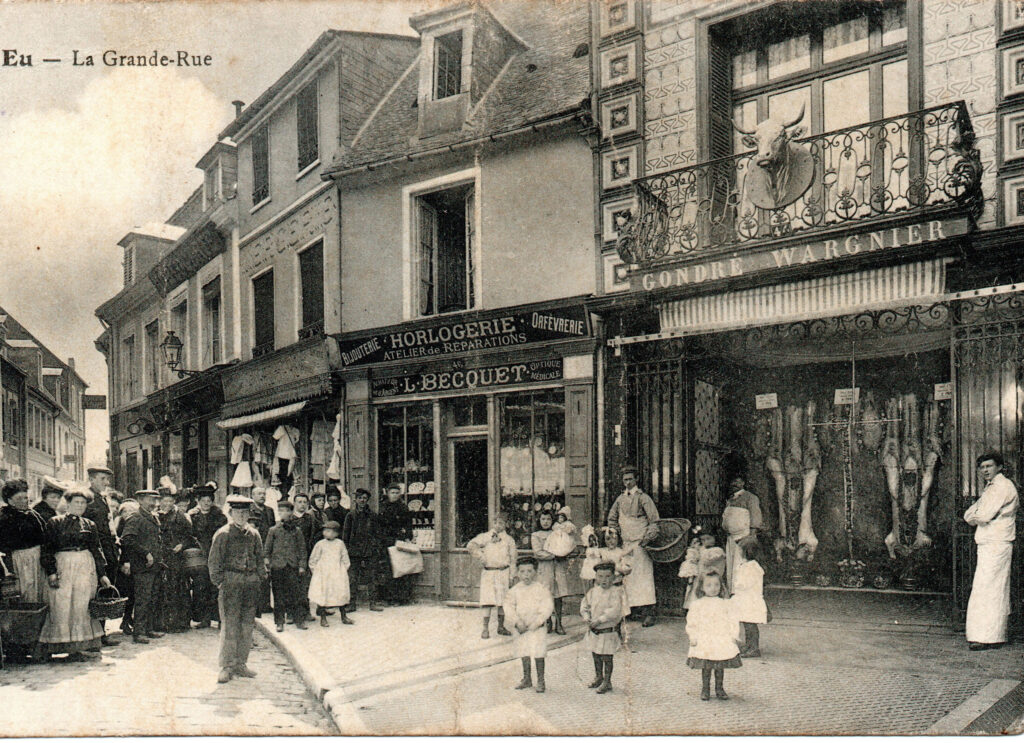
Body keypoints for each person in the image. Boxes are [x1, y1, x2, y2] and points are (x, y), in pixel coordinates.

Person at [38, 486, 113, 661]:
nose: (80, 506)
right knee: (61, 604)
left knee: (82, 605)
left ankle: (78, 647)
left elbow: (96, 549)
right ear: (68, 503)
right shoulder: (55, 522)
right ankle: (58, 645)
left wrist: (102, 574)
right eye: (76, 502)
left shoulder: (89, 525)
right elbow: (47, 549)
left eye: (83, 503)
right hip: (63, 564)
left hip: (85, 566)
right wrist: (51, 572)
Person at [208, 494, 266, 684]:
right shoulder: (223, 534)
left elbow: (259, 558)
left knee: (247, 625)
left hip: (250, 584)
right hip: (231, 583)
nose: (241, 516)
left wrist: (259, 578)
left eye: (245, 513)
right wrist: (221, 583)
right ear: (231, 513)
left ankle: (241, 663)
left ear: (249, 514)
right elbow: (214, 562)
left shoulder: (254, 534)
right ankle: (227, 666)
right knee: (230, 625)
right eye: (237, 512)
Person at [964, 452, 1019, 650]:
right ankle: (990, 635)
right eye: (982, 467)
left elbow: (983, 514)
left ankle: (988, 636)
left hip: (997, 542)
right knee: (988, 587)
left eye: (989, 466)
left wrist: (978, 515)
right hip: (990, 542)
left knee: (990, 588)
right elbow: (969, 514)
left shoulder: (1002, 486)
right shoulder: (991, 488)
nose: (985, 470)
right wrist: (977, 515)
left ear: (999, 467)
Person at [607, 466, 660, 627]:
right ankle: (629, 611)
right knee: (627, 578)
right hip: (626, 544)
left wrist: (647, 538)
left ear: (636, 479)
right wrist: (615, 535)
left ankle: (649, 613)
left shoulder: (644, 498)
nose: (628, 482)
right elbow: (612, 519)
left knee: (644, 578)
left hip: (640, 544)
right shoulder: (620, 499)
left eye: (630, 479)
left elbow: (654, 521)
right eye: (625, 480)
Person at [686, 572, 742, 701]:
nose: (713, 588)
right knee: (707, 665)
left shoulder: (725, 604)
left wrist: (733, 635)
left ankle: (719, 689)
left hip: (721, 638)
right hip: (705, 638)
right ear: (702, 587)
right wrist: (693, 636)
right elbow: (692, 622)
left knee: (719, 664)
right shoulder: (697, 605)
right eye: (709, 585)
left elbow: (732, 620)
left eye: (716, 584)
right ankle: (705, 689)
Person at [119, 490, 165, 644]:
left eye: (155, 499)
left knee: (152, 598)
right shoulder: (136, 518)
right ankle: (139, 632)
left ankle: (148, 629)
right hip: (143, 567)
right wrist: (145, 553)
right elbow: (127, 539)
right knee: (143, 599)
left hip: (154, 566)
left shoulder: (153, 517)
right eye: (149, 499)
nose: (153, 503)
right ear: (140, 500)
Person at [504, 555, 554, 693]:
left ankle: (541, 680)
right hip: (521, 627)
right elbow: (508, 606)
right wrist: (516, 621)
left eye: (530, 571)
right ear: (517, 573)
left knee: (538, 652)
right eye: (522, 571)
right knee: (524, 651)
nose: (526, 575)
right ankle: (527, 678)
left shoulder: (541, 589)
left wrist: (537, 622)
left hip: (536, 627)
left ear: (535, 572)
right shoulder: (514, 590)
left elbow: (547, 607)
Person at [83, 462, 120, 646]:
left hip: (108, 550)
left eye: (107, 479)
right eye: (102, 479)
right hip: (96, 552)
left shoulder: (102, 498)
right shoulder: (87, 499)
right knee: (96, 593)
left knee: (105, 593)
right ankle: (94, 634)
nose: (106, 482)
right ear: (91, 479)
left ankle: (101, 633)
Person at [580, 561, 630, 694]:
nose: (604, 580)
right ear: (596, 577)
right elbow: (584, 606)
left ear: (614, 577)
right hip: (595, 632)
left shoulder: (616, 592)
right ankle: (598, 677)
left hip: (607, 631)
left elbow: (614, 611)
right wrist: (587, 617)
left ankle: (607, 681)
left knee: (607, 657)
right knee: (595, 654)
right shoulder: (592, 592)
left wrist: (599, 620)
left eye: (608, 576)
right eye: (600, 576)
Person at [467, 515, 518, 638]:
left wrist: (512, 576)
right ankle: (485, 628)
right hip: (489, 573)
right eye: (495, 522)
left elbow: (513, 559)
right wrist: (481, 556)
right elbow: (471, 545)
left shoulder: (509, 540)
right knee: (487, 601)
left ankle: (501, 627)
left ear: (506, 524)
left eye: (501, 522)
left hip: (503, 572)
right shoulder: (485, 537)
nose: (498, 525)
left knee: (502, 601)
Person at [0, 478, 48, 604]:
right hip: (19, 560)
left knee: (39, 591)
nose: (24, 501)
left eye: (25, 497)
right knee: (25, 591)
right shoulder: (5, 517)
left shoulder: (32, 514)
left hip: (36, 558)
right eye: (19, 498)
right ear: (10, 501)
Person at [264, 500, 308, 632]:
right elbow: (267, 550)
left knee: (296, 595)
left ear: (291, 512)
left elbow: (302, 550)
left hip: (292, 566)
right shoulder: (273, 530)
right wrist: (268, 564)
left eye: (287, 511)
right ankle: (279, 622)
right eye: (281, 511)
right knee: (278, 596)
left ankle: (299, 620)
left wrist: (302, 566)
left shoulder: (297, 531)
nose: (284, 514)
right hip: (277, 567)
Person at [157, 490, 197, 632]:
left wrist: (182, 545)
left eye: (170, 501)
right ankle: (162, 622)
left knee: (177, 587)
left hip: (175, 557)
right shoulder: (156, 515)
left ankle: (179, 622)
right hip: (161, 556)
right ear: (160, 501)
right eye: (164, 501)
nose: (167, 504)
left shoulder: (179, 516)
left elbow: (190, 536)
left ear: (173, 502)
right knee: (162, 588)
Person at [188, 486, 227, 629]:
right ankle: (204, 619)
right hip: (199, 556)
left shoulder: (219, 516)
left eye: (209, 500)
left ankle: (220, 619)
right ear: (198, 501)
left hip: (216, 554)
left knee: (216, 587)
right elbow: (189, 535)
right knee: (201, 587)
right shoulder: (192, 516)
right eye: (203, 500)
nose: (206, 503)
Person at [343, 488, 384, 612]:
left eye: (365, 498)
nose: (362, 500)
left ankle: (373, 603)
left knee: (372, 577)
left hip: (369, 550)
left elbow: (378, 533)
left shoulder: (372, 516)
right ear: (355, 500)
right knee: (353, 578)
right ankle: (351, 603)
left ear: (367, 500)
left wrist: (375, 547)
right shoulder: (350, 515)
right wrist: (347, 549)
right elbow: (346, 534)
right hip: (354, 551)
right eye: (360, 498)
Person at [532, 511, 571, 635]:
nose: (546, 522)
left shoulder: (557, 533)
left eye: (548, 519)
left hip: (558, 567)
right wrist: (554, 555)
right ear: (539, 520)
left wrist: (564, 553)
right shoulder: (536, 535)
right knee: (546, 595)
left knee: (558, 596)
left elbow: (565, 545)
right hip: (545, 568)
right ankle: (548, 621)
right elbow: (538, 552)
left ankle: (559, 623)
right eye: (543, 519)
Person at [308, 520, 353, 626]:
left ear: (337, 533)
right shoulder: (320, 544)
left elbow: (345, 559)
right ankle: (323, 618)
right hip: (323, 574)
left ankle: (344, 616)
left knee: (340, 594)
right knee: (324, 594)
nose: (329, 534)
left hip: (337, 573)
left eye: (332, 532)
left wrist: (342, 571)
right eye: (327, 531)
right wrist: (317, 573)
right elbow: (313, 560)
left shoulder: (340, 544)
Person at [721, 475, 763, 590]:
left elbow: (755, 516)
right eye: (733, 481)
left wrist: (752, 535)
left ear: (743, 483)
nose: (735, 484)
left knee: (741, 564)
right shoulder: (730, 499)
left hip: (744, 537)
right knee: (731, 564)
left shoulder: (750, 498)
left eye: (737, 481)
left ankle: (741, 591)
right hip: (731, 538)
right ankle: (732, 590)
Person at [731, 539, 767, 658]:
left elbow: (745, 583)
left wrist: (737, 584)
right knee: (747, 624)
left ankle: (754, 647)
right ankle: (749, 645)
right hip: (746, 599)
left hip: (750, 600)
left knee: (750, 625)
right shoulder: (749, 565)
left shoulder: (751, 567)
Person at [379, 483, 414, 606]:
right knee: (389, 570)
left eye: (397, 493)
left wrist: (408, 536)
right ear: (387, 494)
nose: (394, 495)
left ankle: (401, 598)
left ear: (400, 494)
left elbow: (408, 525)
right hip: (387, 542)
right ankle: (390, 597)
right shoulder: (383, 507)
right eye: (392, 492)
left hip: (400, 541)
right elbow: (381, 525)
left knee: (401, 569)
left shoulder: (403, 508)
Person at [292, 493, 321, 622]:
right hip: (293, 555)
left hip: (307, 554)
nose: (302, 504)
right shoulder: (290, 518)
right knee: (292, 584)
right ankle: (291, 613)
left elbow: (315, 535)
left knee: (305, 584)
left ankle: (306, 611)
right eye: (299, 502)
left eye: (304, 502)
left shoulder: (310, 518)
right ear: (295, 504)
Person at [113, 498, 140, 635]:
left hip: (133, 562)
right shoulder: (120, 524)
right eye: (126, 511)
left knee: (132, 593)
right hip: (124, 563)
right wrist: (125, 562)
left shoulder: (133, 523)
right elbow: (124, 545)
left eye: (132, 511)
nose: (129, 513)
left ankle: (127, 619)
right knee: (126, 593)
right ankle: (125, 620)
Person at [249, 487, 276, 615]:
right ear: (253, 495)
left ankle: (265, 604)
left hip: (267, 546)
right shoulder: (250, 510)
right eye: (259, 494)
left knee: (266, 575)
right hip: (255, 546)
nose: (262, 496)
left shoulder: (269, 511)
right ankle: (255, 606)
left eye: (264, 494)